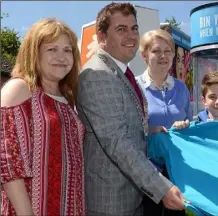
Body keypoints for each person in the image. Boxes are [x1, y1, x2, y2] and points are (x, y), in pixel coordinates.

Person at [76, 3, 184, 216]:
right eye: (121, 29)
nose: (131, 35)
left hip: (129, 198)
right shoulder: (98, 75)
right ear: (101, 36)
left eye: (134, 28)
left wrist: (151, 129)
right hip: (110, 203)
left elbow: (121, 124)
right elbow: (116, 141)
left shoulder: (120, 72)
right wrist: (161, 187)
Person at [1, 18, 85, 216]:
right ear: (34, 52)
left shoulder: (68, 99)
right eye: (51, 49)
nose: (61, 56)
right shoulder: (20, 89)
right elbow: (8, 162)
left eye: (67, 50)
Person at [136, 29, 192, 216]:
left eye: (167, 51)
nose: (163, 56)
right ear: (144, 56)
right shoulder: (134, 87)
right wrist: (149, 129)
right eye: (156, 51)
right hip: (147, 174)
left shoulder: (182, 88)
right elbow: (126, 130)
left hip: (178, 172)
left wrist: (185, 127)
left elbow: (190, 125)